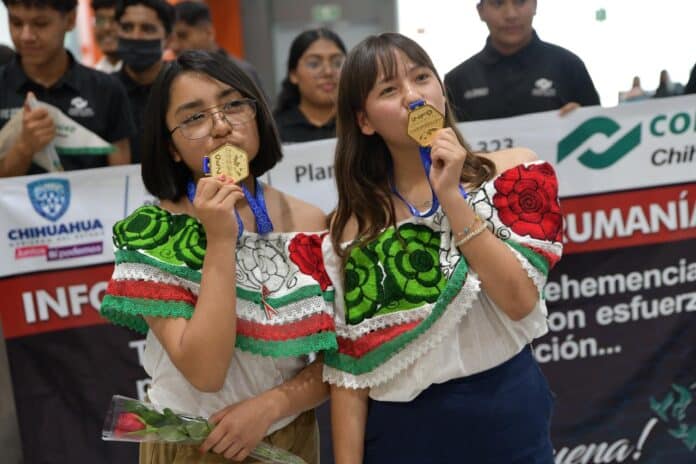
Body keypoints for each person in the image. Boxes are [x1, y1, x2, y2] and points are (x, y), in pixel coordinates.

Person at [323, 33, 563, 463]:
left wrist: (452, 196)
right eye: (389, 90)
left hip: (505, 409)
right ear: (365, 121)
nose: (414, 97)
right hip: (403, 432)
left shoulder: (511, 173)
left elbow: (520, 300)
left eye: (421, 77)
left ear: (441, 88)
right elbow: (349, 373)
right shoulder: (350, 230)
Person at [100, 50, 337, 464]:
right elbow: (205, 372)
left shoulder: (308, 220)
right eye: (194, 117)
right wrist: (220, 240)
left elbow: (340, 358)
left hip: (289, 438)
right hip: (188, 446)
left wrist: (270, 407)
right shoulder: (151, 232)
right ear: (171, 147)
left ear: (257, 114)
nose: (222, 126)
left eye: (233, 105)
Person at [0, 0, 133, 177]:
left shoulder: (107, 90)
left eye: (40, 24)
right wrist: (24, 148)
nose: (26, 36)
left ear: (70, 20)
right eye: (16, 23)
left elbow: (121, 181)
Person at [444, 0, 599, 121]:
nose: (511, 15)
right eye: (498, 3)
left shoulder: (568, 66)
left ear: (535, 5)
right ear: (481, 11)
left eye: (520, 1)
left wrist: (584, 120)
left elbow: (601, 133)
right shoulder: (457, 80)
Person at [114, 0, 173, 164]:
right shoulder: (104, 91)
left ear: (168, 39)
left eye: (147, 29)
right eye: (127, 28)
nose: (135, 36)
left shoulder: (182, 88)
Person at [170, 1, 266, 97]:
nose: (174, 46)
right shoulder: (172, 78)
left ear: (208, 32)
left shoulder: (241, 72)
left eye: (183, 36)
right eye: (170, 38)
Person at [273, 28, 346, 143]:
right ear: (293, 74)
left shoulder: (362, 123)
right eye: (314, 64)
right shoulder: (273, 129)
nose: (328, 72)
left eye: (337, 63)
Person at [91, 0, 121, 73]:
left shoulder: (144, 76)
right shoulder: (91, 78)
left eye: (115, 20)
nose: (106, 27)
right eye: (100, 20)